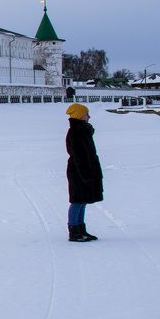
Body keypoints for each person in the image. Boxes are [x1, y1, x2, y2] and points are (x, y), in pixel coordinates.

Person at [64, 104, 103, 242]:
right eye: (86, 113)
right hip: (79, 171)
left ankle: (81, 229)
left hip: (86, 169)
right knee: (77, 200)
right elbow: (78, 155)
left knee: (83, 200)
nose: (88, 116)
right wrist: (85, 173)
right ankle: (74, 231)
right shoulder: (76, 131)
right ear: (79, 115)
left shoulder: (82, 130)